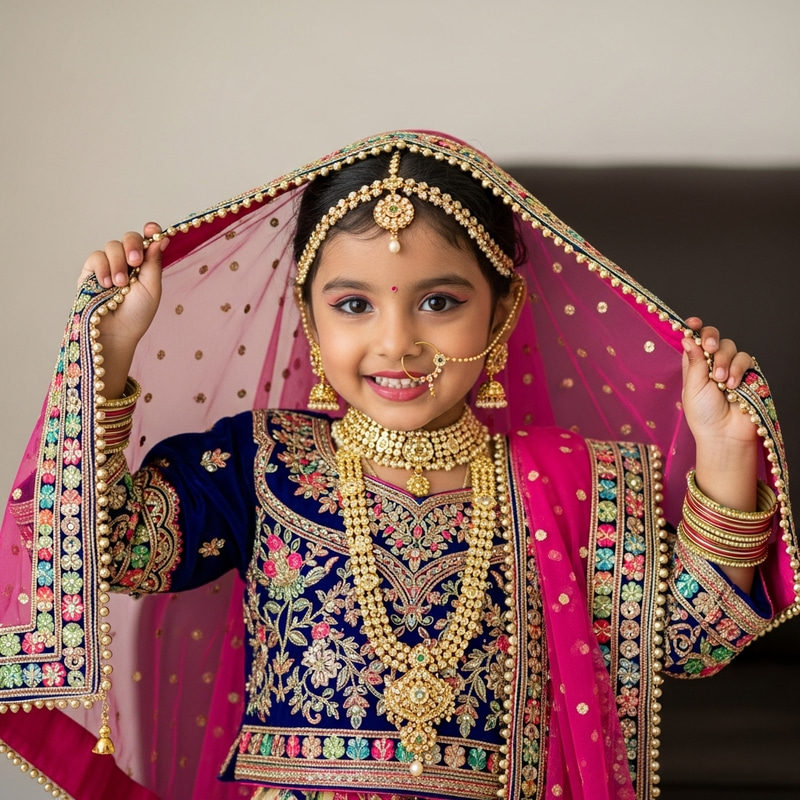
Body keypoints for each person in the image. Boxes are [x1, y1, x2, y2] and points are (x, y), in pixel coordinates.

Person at [0, 130, 796, 800]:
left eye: (439, 302)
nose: (397, 342)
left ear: (503, 310)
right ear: (308, 317)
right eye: (354, 305)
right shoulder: (261, 462)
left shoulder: (567, 485)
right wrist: (107, 357)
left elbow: (690, 639)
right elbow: (113, 550)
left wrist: (726, 449)